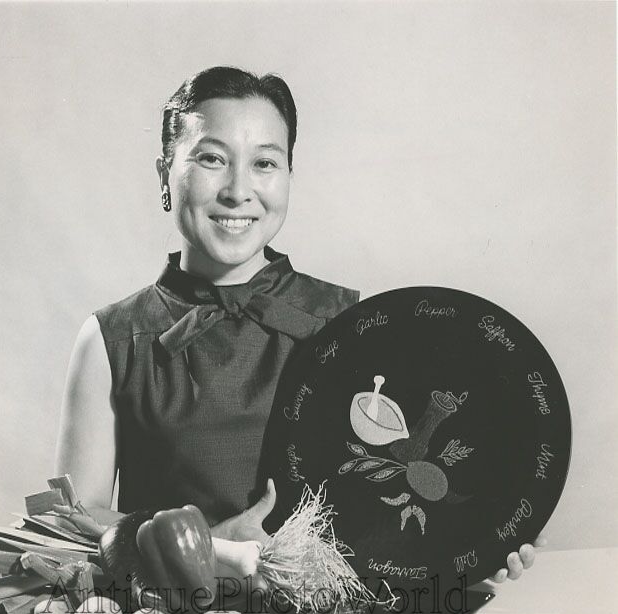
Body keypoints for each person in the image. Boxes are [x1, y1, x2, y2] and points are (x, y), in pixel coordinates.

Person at [55, 66, 540, 584]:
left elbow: (411, 473)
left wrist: (480, 536)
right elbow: (68, 524)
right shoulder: (113, 340)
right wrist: (214, 548)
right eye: (212, 159)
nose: (239, 190)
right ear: (164, 177)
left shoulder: (354, 324)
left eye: (265, 162)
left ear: (288, 175)